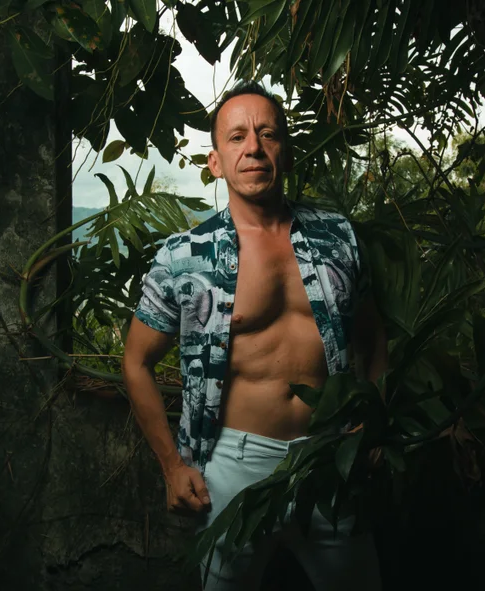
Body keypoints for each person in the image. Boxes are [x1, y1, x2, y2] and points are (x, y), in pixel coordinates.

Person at [121, 80, 387, 590]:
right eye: (237, 137)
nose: (254, 148)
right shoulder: (184, 257)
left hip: (329, 458)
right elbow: (136, 362)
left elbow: (373, 339)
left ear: (286, 152)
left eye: (267, 134)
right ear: (216, 162)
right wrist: (172, 466)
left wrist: (372, 421)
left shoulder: (338, 237)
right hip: (232, 467)